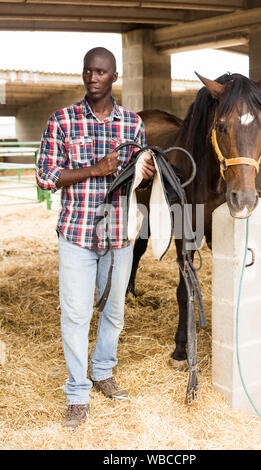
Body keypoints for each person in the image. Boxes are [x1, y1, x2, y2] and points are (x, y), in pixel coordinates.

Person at [36, 47, 155, 429]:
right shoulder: (63, 120)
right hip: (77, 235)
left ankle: (103, 370)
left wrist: (144, 172)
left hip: (119, 235)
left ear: (114, 77)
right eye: (88, 71)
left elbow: (136, 173)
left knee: (114, 312)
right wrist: (94, 169)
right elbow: (45, 176)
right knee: (75, 314)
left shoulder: (133, 124)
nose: (93, 77)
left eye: (101, 72)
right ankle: (77, 393)